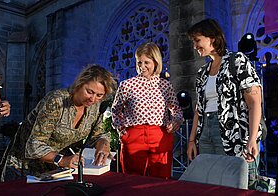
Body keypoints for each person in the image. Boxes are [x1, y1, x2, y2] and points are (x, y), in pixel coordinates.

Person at [0, 64, 116, 181]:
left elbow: (98, 135)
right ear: (80, 84)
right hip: (23, 168)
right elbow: (34, 145)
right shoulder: (57, 101)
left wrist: (103, 145)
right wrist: (61, 160)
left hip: (55, 172)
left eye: (99, 95)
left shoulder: (95, 106)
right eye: (89, 92)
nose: (93, 99)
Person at [186, 19, 263, 182]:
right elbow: (199, 109)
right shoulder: (202, 73)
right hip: (205, 133)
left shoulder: (237, 60)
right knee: (208, 182)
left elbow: (255, 102)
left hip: (232, 133)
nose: (195, 46)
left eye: (197, 40)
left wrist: (252, 138)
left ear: (212, 38)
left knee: (231, 183)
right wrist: (192, 140)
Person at [111, 42, 183, 179]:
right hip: (134, 135)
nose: (142, 67)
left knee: (161, 179)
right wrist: (121, 130)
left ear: (156, 62)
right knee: (132, 179)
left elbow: (176, 110)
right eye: (139, 62)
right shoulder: (127, 85)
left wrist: (175, 122)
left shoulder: (165, 85)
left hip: (160, 135)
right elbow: (115, 110)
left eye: (146, 63)